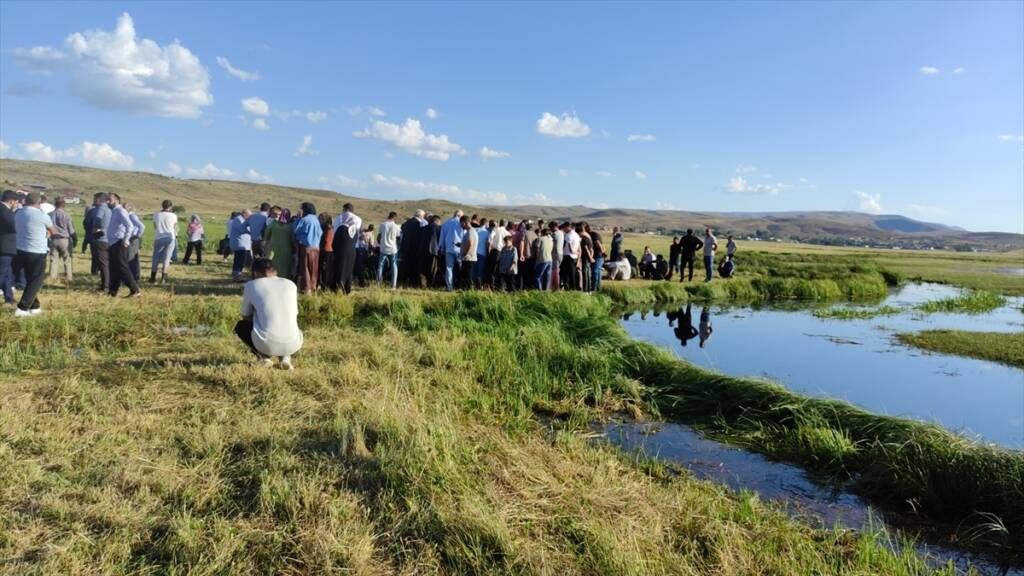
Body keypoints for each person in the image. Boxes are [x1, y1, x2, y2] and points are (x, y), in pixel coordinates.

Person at [237, 258, 303, 370]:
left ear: (256, 272)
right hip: (294, 342)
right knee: (286, 320)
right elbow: (295, 313)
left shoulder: (251, 285)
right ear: (274, 270)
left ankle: (264, 358)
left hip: (265, 344)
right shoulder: (290, 284)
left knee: (241, 326)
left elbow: (245, 315)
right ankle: (286, 358)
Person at [12, 192, 54, 316]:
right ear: (39, 203)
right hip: (37, 251)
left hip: (20, 250)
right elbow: (53, 230)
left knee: (30, 279)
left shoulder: (18, 213)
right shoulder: (42, 215)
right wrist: (48, 233)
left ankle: (35, 306)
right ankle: (22, 308)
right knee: (36, 280)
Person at [105, 193, 140, 298]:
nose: (107, 202)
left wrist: (126, 239)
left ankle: (135, 290)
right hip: (113, 243)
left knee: (122, 267)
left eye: (109, 200)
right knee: (114, 268)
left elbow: (129, 225)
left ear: (116, 200)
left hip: (119, 242)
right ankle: (113, 291)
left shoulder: (120, 211)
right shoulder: (114, 211)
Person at [293, 202, 322, 294]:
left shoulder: (304, 219)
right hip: (316, 247)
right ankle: (313, 287)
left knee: (305, 268)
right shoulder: (316, 220)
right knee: (314, 269)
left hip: (306, 247)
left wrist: (298, 218)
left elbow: (295, 229)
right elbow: (320, 233)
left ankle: (306, 289)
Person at [332, 203, 361, 294]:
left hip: (341, 251)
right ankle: (347, 289)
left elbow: (334, 241)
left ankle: (337, 288)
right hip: (352, 252)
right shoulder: (355, 230)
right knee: (349, 270)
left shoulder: (341, 227)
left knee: (340, 269)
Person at [263, 206, 295, 281]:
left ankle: (272, 280)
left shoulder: (274, 224)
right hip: (287, 250)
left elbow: (266, 234)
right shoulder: (290, 227)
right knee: (285, 267)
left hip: (273, 249)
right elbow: (293, 239)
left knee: (273, 265)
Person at [150, 199, 178, 284]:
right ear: (170, 207)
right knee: (167, 258)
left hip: (159, 237)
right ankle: (164, 278)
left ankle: (153, 277)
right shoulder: (173, 215)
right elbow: (175, 227)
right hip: (170, 238)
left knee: (155, 257)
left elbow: (155, 227)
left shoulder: (156, 214)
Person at [48, 198, 74, 283]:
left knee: (53, 259)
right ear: (64, 205)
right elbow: (71, 229)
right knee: (67, 259)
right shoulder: (67, 215)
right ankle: (68, 277)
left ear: (55, 204)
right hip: (64, 239)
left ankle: (52, 277)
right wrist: (74, 238)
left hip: (53, 239)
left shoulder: (50, 214)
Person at [89, 193, 112, 292]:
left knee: (103, 264)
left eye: (95, 198)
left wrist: (96, 229)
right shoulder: (109, 210)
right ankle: (107, 284)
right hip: (108, 239)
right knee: (106, 263)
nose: (94, 200)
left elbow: (97, 221)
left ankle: (105, 286)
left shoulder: (100, 209)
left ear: (99, 199)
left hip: (100, 239)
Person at [438, 209, 465, 291]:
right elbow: (464, 236)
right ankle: (460, 285)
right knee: (460, 268)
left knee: (449, 268)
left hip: (448, 249)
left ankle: (450, 287)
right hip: (459, 249)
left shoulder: (446, 223)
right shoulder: (461, 223)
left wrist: (441, 247)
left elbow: (442, 237)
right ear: (461, 216)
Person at [0, 190, 18, 306]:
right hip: (5, 246)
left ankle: (9, 298)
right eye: (16, 202)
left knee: (7, 273)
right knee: (2, 273)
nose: (16, 205)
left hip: (4, 246)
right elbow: (16, 227)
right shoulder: (6, 212)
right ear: (11, 201)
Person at [377, 211, 400, 289]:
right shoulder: (396, 226)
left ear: (388, 216)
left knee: (380, 266)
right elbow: (398, 238)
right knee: (394, 265)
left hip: (383, 247)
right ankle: (393, 285)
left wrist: (380, 243)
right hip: (393, 248)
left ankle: (378, 284)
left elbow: (379, 237)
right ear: (394, 217)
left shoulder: (382, 225)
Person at [229, 209, 253, 281]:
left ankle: (237, 275)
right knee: (239, 261)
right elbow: (243, 230)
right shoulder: (239, 220)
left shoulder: (242, 219)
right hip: (239, 244)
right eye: (250, 216)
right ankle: (237, 275)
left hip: (243, 244)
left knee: (242, 260)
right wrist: (252, 232)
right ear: (245, 214)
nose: (250, 218)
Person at [125, 204, 146, 283]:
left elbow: (142, 226)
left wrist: (137, 235)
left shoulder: (131, 216)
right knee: (133, 258)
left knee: (131, 259)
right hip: (133, 239)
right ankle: (135, 277)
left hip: (133, 239)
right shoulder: (132, 216)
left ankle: (133, 278)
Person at [458, 215, 479, 289]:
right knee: (466, 277)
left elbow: (470, 244)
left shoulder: (470, 231)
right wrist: (461, 245)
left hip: (469, 258)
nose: (460, 225)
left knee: (468, 277)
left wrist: (464, 253)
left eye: (460, 223)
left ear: (464, 222)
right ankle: (466, 291)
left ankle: (468, 292)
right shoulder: (470, 231)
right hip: (468, 258)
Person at [561, 222, 581, 290]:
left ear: (567, 227)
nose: (564, 230)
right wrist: (577, 252)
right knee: (573, 273)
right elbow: (578, 246)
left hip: (568, 256)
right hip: (574, 257)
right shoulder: (576, 235)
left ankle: (570, 288)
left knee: (567, 274)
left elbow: (569, 246)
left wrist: (572, 251)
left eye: (564, 228)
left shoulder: (568, 235)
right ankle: (574, 287)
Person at [533, 226, 554, 290]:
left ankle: (539, 291)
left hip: (542, 259)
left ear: (542, 233)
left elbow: (537, 249)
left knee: (537, 277)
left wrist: (536, 258)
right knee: (546, 277)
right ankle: (546, 291)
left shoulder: (540, 239)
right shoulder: (551, 240)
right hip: (550, 260)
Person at [318, 213, 335, 289]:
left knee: (325, 269)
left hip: (326, 251)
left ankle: (325, 286)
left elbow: (327, 240)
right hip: (325, 250)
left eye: (321, 219)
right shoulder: (325, 227)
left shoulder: (328, 228)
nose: (319, 220)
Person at [587, 223, 605, 291]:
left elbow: (598, 243)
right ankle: (598, 288)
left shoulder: (593, 235)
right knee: (598, 271)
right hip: (599, 256)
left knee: (595, 271)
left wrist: (602, 252)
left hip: (597, 256)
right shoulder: (596, 234)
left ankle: (594, 287)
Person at [474, 218, 490, 288]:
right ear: (486, 224)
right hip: (482, 253)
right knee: (481, 270)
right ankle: (480, 285)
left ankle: (472, 284)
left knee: (473, 269)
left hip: (474, 252)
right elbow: (487, 244)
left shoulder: (475, 230)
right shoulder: (487, 232)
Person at [549, 221, 564, 290]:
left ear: (554, 227)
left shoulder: (554, 234)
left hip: (555, 254)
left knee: (555, 271)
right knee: (557, 270)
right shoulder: (561, 233)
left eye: (551, 228)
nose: (550, 229)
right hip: (561, 253)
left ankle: (556, 287)